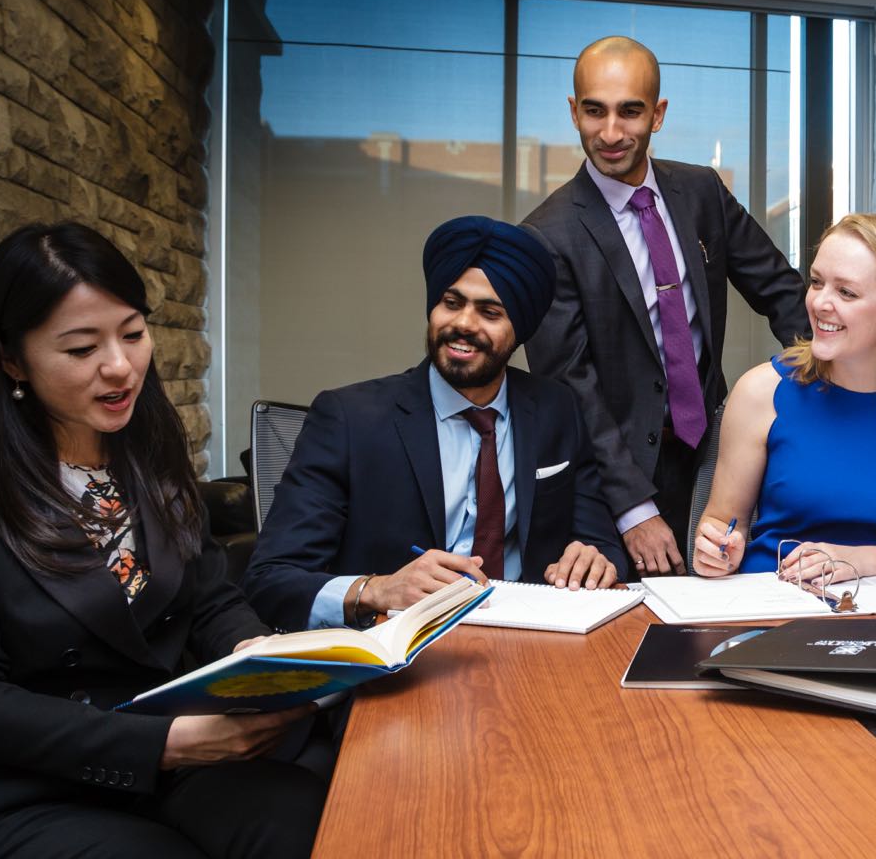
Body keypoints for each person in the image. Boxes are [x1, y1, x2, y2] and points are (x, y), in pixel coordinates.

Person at [0, 223, 325, 859]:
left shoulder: (146, 444)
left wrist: (250, 651)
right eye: (81, 347)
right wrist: (164, 744)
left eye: (132, 333)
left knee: (307, 822)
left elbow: (210, 595)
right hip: (24, 784)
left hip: (163, 756)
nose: (121, 366)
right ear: (12, 360)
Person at [244, 216, 624, 634]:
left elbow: (603, 544)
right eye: (452, 303)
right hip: (397, 652)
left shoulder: (556, 409)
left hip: (529, 643)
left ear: (519, 331)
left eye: (490, 312)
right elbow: (272, 578)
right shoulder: (348, 418)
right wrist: (378, 590)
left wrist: (593, 559)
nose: (463, 323)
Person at [523, 35, 809, 579]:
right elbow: (569, 383)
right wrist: (633, 509)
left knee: (723, 611)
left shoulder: (701, 192)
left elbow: (781, 291)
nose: (610, 133)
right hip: (616, 472)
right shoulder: (546, 234)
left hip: (715, 453)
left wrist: (827, 386)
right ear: (573, 111)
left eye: (629, 111)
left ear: (657, 115)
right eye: (594, 111)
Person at [690, 214, 876, 580]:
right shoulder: (760, 390)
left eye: (846, 292)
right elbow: (720, 524)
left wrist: (859, 562)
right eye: (816, 282)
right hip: (772, 603)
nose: (819, 303)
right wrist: (717, 552)